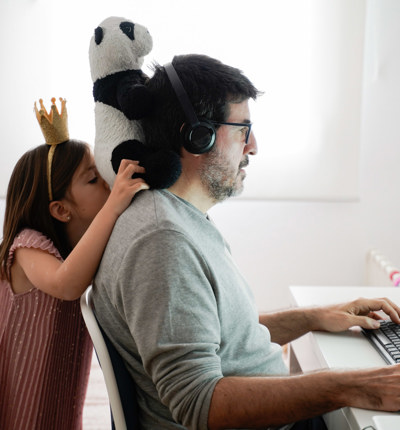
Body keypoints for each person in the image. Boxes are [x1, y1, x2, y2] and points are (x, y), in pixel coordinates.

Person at [92, 54, 400, 430]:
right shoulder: (163, 241)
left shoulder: (175, 219)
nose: (252, 146)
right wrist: (350, 386)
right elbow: (197, 402)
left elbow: (221, 335)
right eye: (242, 129)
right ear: (197, 136)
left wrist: (314, 316)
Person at [0, 98, 148, 430]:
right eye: (93, 179)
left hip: (58, 391)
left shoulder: (77, 249)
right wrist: (113, 205)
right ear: (61, 210)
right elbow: (66, 285)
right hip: (20, 390)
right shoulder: (26, 246)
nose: (108, 184)